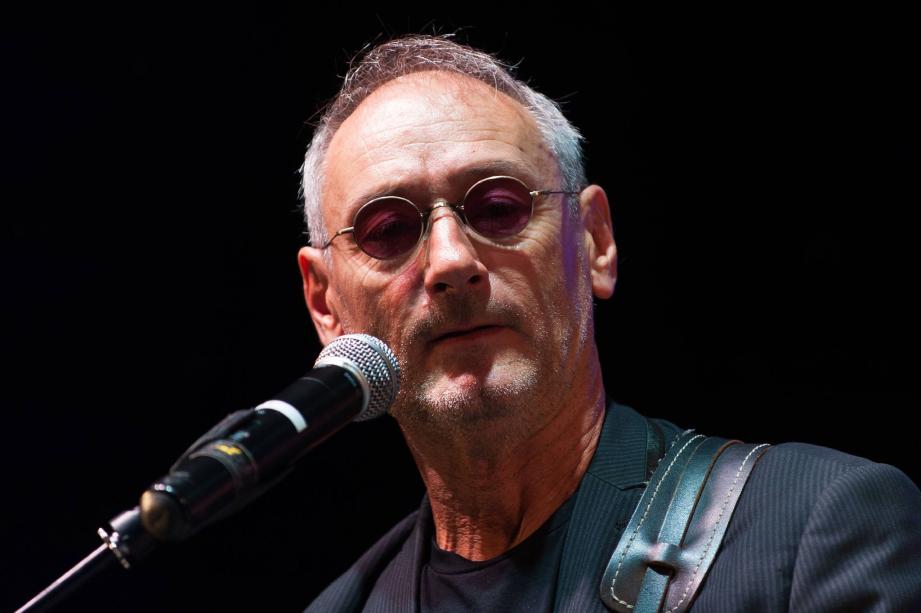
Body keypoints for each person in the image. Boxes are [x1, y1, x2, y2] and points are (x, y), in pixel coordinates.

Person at [296, 35, 921, 612]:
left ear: (594, 241)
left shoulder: (815, 523)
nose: (453, 261)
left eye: (498, 207)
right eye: (390, 230)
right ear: (325, 304)